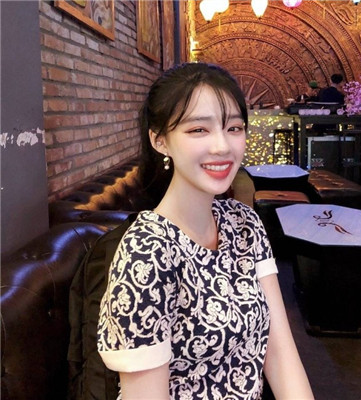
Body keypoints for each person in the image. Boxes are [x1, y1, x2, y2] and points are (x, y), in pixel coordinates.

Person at [97, 62, 314, 400]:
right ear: (159, 140)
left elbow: (281, 353)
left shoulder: (244, 224)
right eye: (199, 129)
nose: (222, 146)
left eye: (234, 128)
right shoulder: (146, 253)